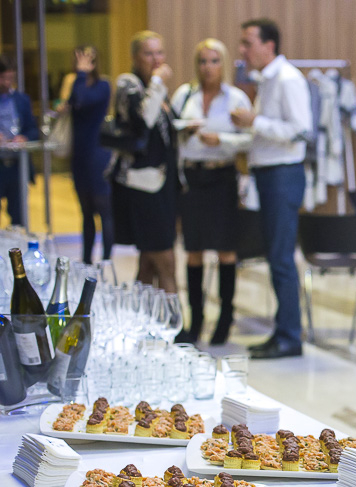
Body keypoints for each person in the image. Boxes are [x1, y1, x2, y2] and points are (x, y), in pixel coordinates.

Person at [232, 18, 311, 359]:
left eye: (248, 43)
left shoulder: (287, 78)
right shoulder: (266, 79)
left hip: (283, 174)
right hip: (269, 174)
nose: (242, 50)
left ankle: (290, 337)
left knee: (280, 258)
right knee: (275, 256)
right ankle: (282, 331)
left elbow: (300, 130)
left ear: (269, 45)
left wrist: (255, 121)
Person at [171, 39, 252, 345]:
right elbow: (169, 130)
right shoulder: (185, 95)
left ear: (224, 64)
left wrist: (222, 141)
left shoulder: (236, 98)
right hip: (193, 177)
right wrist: (185, 130)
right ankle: (196, 318)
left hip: (222, 177)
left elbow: (251, 138)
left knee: (225, 249)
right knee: (193, 249)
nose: (208, 67)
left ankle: (226, 317)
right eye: (203, 61)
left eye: (214, 61)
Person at [110, 31, 178, 293]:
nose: (156, 59)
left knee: (149, 261)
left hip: (164, 182)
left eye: (159, 52)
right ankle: (174, 315)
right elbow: (144, 121)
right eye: (148, 53)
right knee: (165, 259)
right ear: (135, 57)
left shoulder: (154, 89)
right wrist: (158, 83)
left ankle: (142, 313)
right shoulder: (129, 84)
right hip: (141, 184)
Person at [60, 47, 113, 264]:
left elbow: (82, 99)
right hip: (79, 157)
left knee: (104, 211)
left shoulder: (103, 85)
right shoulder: (76, 83)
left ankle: (107, 261)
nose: (81, 63)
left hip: (97, 156)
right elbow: (68, 103)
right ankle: (86, 261)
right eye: (78, 59)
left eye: (86, 59)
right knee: (86, 212)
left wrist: (80, 75)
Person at [0, 55, 39, 227]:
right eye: (3, 78)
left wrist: (24, 138)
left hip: (17, 165)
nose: (7, 83)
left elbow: (33, 129)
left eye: (10, 78)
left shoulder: (22, 100)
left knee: (19, 216)